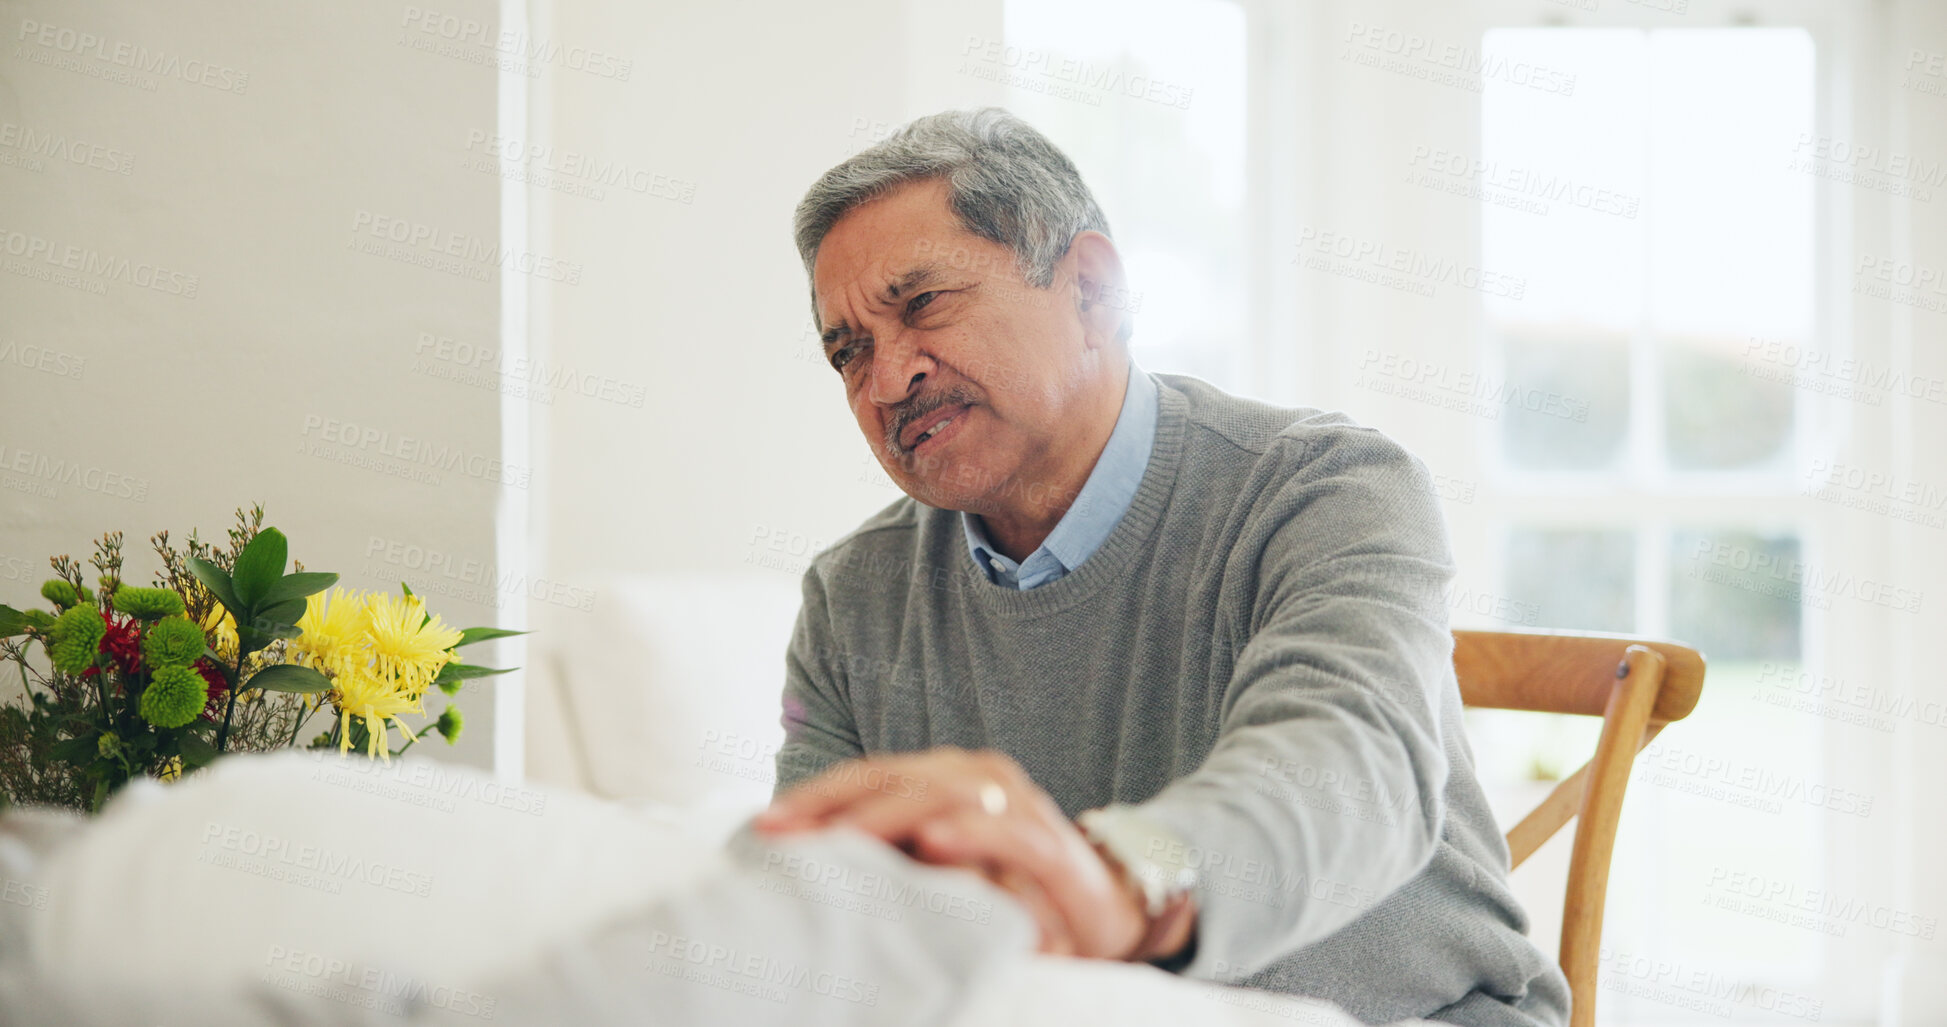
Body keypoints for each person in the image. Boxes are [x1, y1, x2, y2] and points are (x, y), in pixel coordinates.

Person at [754, 107, 1569, 1027]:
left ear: (1092, 290)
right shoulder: (849, 596)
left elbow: (1344, 767)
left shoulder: (1328, 489)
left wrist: (1117, 879)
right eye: (847, 350)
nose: (887, 378)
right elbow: (818, 914)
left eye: (923, 305)